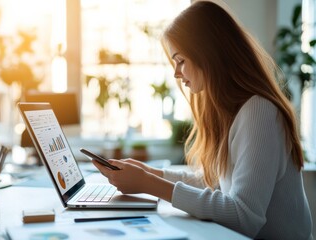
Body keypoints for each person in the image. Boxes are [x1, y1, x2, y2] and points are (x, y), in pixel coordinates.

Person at [92, 1, 313, 239]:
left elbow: (243, 216)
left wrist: (149, 184)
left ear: (208, 55)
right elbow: (215, 183)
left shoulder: (259, 111)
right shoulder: (234, 111)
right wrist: (152, 173)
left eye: (181, 60)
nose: (177, 73)